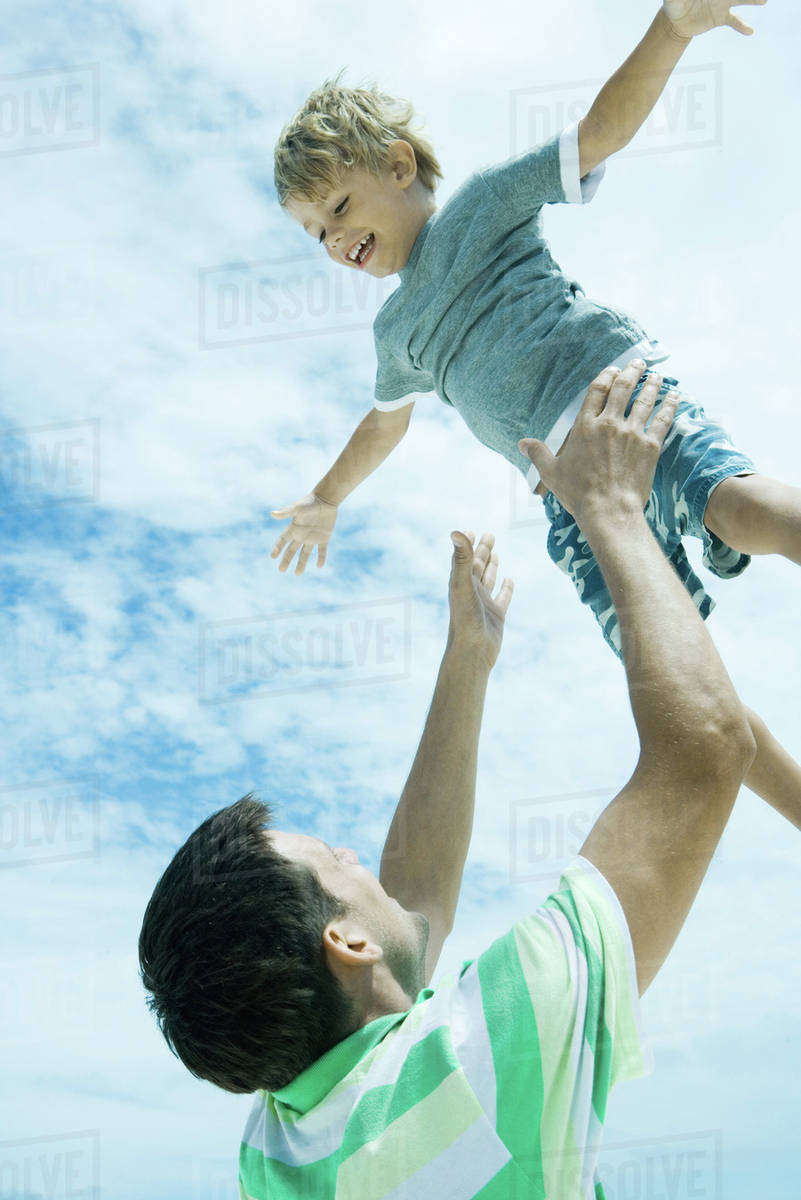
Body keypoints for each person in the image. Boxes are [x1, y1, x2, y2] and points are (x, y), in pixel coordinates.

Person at [140, 363, 793, 1198]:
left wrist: (468, 661)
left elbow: (411, 916)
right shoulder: (482, 1065)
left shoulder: (284, 1151)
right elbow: (703, 749)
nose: (354, 853)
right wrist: (611, 509)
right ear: (343, 941)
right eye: (334, 861)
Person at [268, 0, 801, 852]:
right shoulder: (393, 334)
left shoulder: (482, 208)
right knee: (674, 681)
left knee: (734, 507)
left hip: (613, 405)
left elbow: (595, 133)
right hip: (568, 498)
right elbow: (382, 426)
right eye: (312, 233)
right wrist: (328, 496)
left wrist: (670, 27)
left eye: (335, 208)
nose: (330, 238)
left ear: (397, 165)